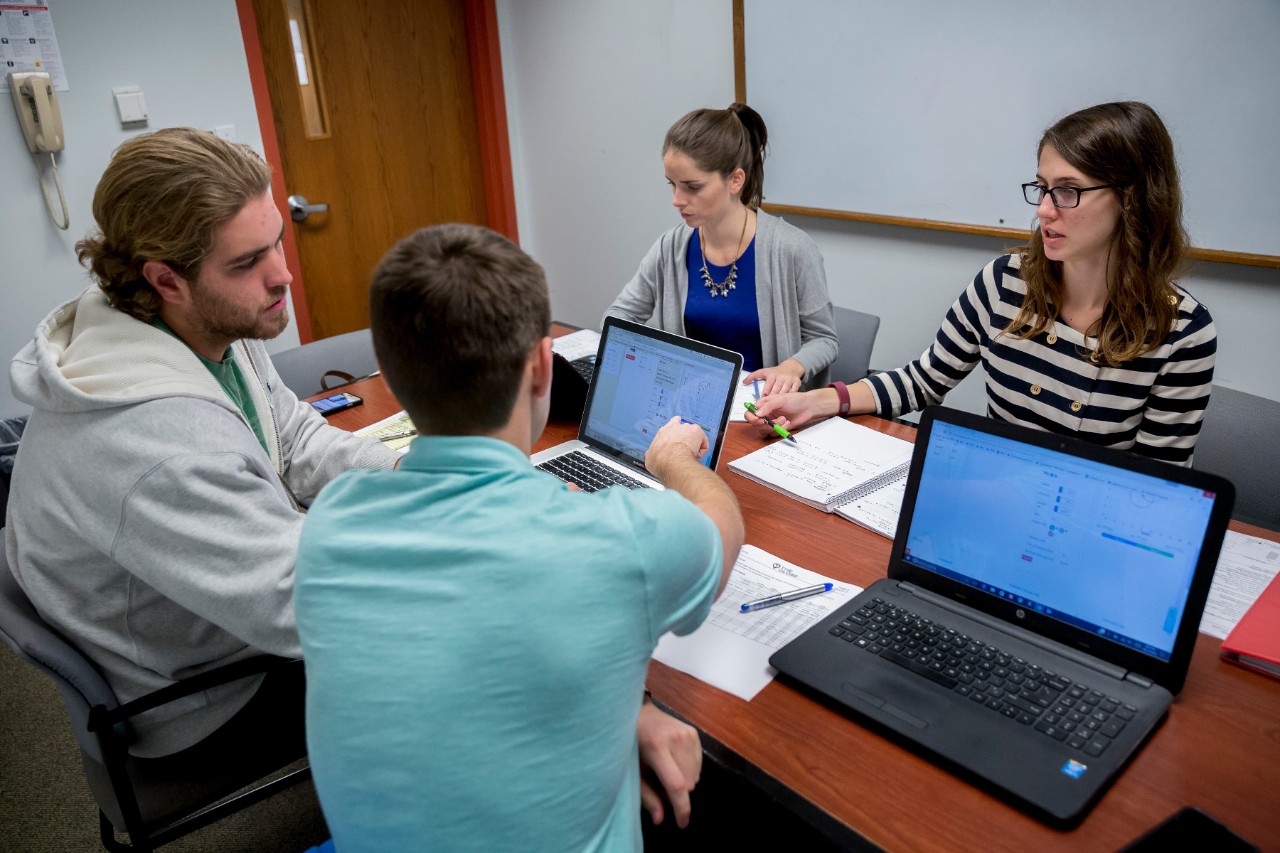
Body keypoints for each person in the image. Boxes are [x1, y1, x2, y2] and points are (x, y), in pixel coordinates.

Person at [294, 223, 745, 851]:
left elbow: (463, 667)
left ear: (391, 384)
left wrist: (624, 709)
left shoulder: (333, 518)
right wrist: (673, 460)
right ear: (542, 366)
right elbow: (724, 528)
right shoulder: (615, 542)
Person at [3, 128, 402, 759]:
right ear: (165, 279)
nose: (283, 276)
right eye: (247, 263)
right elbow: (308, 605)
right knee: (469, 641)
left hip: (225, 605)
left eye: (276, 242)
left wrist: (411, 478)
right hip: (201, 694)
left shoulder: (200, 322)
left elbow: (292, 438)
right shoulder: (156, 447)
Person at [750, 101, 1216, 466]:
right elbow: (924, 379)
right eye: (1042, 187)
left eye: (1068, 191)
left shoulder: (1182, 332)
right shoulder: (1005, 282)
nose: (1044, 210)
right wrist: (822, 401)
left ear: (1132, 199)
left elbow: (1159, 486)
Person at [605, 103, 838, 395]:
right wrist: (651, 361)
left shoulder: (792, 249)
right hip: (686, 405)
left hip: (762, 410)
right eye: (672, 185)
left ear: (735, 180)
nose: (677, 199)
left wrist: (791, 367)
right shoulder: (671, 246)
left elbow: (824, 340)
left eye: (692, 187)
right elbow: (617, 318)